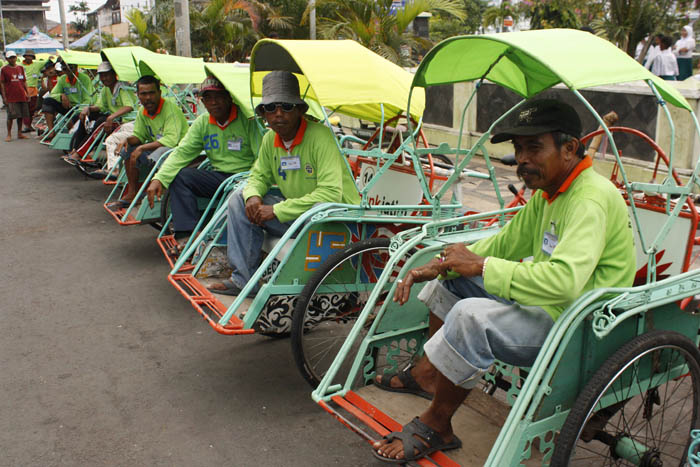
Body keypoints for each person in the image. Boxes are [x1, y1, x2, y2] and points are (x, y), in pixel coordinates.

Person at [371, 99, 636, 463]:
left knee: (470, 315)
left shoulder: (589, 199)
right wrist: (446, 263)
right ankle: (431, 373)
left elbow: (563, 283)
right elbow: (506, 243)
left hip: (576, 322)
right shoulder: (549, 194)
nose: (522, 159)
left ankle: (438, 423)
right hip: (543, 302)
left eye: (534, 148)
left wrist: (479, 265)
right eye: (518, 149)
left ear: (570, 148)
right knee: (448, 284)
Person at [208, 71, 361, 296]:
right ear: (264, 114)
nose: (278, 114)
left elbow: (330, 194)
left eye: (286, 107)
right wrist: (253, 197)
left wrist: (277, 210)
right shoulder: (271, 139)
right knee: (239, 199)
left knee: (318, 207)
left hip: (334, 218)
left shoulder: (321, 137)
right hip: (297, 215)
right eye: (271, 108)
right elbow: (258, 175)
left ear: (299, 110)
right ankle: (244, 280)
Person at [145, 76, 262, 254]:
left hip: (244, 178)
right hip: (218, 177)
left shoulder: (248, 120)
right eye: (207, 98)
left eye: (218, 97)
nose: (213, 103)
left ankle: (222, 243)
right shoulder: (203, 123)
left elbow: (261, 159)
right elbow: (183, 152)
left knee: (237, 196)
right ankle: (187, 236)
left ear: (229, 97)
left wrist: (249, 184)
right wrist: (159, 178)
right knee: (181, 176)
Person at [112, 75, 188, 205]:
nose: (148, 98)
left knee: (157, 153)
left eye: (152, 93)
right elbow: (139, 135)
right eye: (143, 94)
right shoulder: (143, 111)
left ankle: (159, 195)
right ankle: (132, 192)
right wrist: (128, 140)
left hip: (177, 149)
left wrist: (142, 148)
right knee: (128, 150)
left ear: (159, 93)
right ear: (138, 95)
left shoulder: (171, 109)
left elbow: (171, 140)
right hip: (159, 147)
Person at [64, 61, 137, 165]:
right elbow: (100, 106)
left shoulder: (122, 88)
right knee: (85, 116)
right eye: (101, 76)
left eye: (106, 75)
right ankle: (75, 149)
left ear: (113, 74)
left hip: (126, 120)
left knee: (102, 122)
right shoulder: (105, 89)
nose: (104, 78)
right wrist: (87, 109)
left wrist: (110, 118)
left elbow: (129, 106)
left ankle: (80, 153)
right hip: (114, 118)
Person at [41, 61, 93, 139]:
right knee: (48, 101)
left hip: (81, 108)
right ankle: (51, 131)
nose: (67, 71)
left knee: (72, 121)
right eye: (64, 68)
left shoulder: (84, 78)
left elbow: (88, 99)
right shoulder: (62, 79)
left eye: (70, 68)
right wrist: (61, 96)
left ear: (75, 67)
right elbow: (53, 94)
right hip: (68, 106)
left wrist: (79, 111)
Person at [0, 51, 30, 141]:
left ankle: (19, 133)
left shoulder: (20, 68)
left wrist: (27, 93)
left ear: (16, 57)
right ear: (7, 59)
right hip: (11, 96)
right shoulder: (4, 69)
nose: (12, 59)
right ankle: (9, 134)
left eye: (13, 57)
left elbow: (24, 81)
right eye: (10, 58)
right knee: (11, 116)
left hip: (21, 95)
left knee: (21, 115)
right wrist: (4, 97)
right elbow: (2, 83)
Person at [20, 50, 42, 132]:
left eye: (31, 56)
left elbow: (49, 62)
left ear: (33, 57)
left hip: (34, 90)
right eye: (27, 56)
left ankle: (29, 125)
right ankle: (26, 125)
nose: (29, 57)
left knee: (32, 109)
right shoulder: (20, 65)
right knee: (25, 108)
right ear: (24, 56)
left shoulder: (37, 64)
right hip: (23, 89)